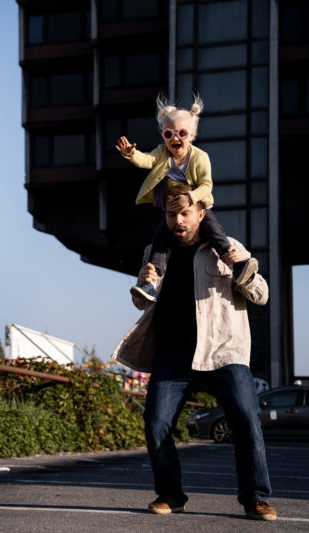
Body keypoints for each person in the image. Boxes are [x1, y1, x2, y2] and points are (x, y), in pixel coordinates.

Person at [112, 184, 276, 521]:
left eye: (184, 213)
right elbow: (142, 302)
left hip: (223, 351)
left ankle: (256, 497)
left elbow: (261, 295)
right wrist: (143, 283)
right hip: (174, 354)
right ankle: (170, 495)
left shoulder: (226, 248)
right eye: (172, 214)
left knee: (245, 417)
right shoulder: (155, 252)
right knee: (156, 422)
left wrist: (241, 266)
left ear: (201, 214)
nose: (178, 220)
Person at [115, 94, 257, 303]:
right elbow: (147, 160)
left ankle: (233, 262)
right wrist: (131, 155)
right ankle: (152, 281)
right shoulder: (162, 153)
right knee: (160, 237)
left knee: (213, 228)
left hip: (196, 201)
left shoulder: (200, 157)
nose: (175, 138)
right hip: (171, 200)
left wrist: (190, 199)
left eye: (181, 133)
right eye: (168, 133)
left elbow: (207, 185)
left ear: (192, 134)